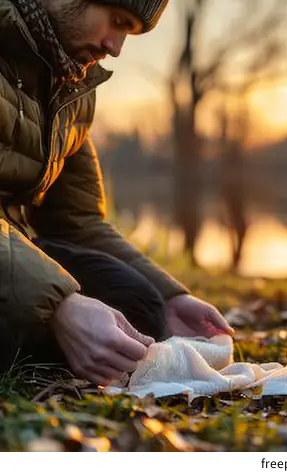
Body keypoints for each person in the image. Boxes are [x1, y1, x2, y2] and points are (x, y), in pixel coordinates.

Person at [0, 0, 234, 386]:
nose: (116, 47)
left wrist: (170, 296)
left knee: (138, 305)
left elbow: (77, 221)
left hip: (17, 257)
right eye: (117, 22)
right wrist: (60, 306)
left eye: (129, 32)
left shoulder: (70, 85)